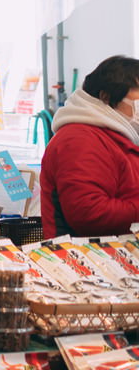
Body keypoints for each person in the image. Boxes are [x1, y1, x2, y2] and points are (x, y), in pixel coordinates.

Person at [40, 55, 139, 237]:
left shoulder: (118, 137)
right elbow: (90, 215)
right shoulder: (80, 140)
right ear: (106, 97)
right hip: (86, 258)